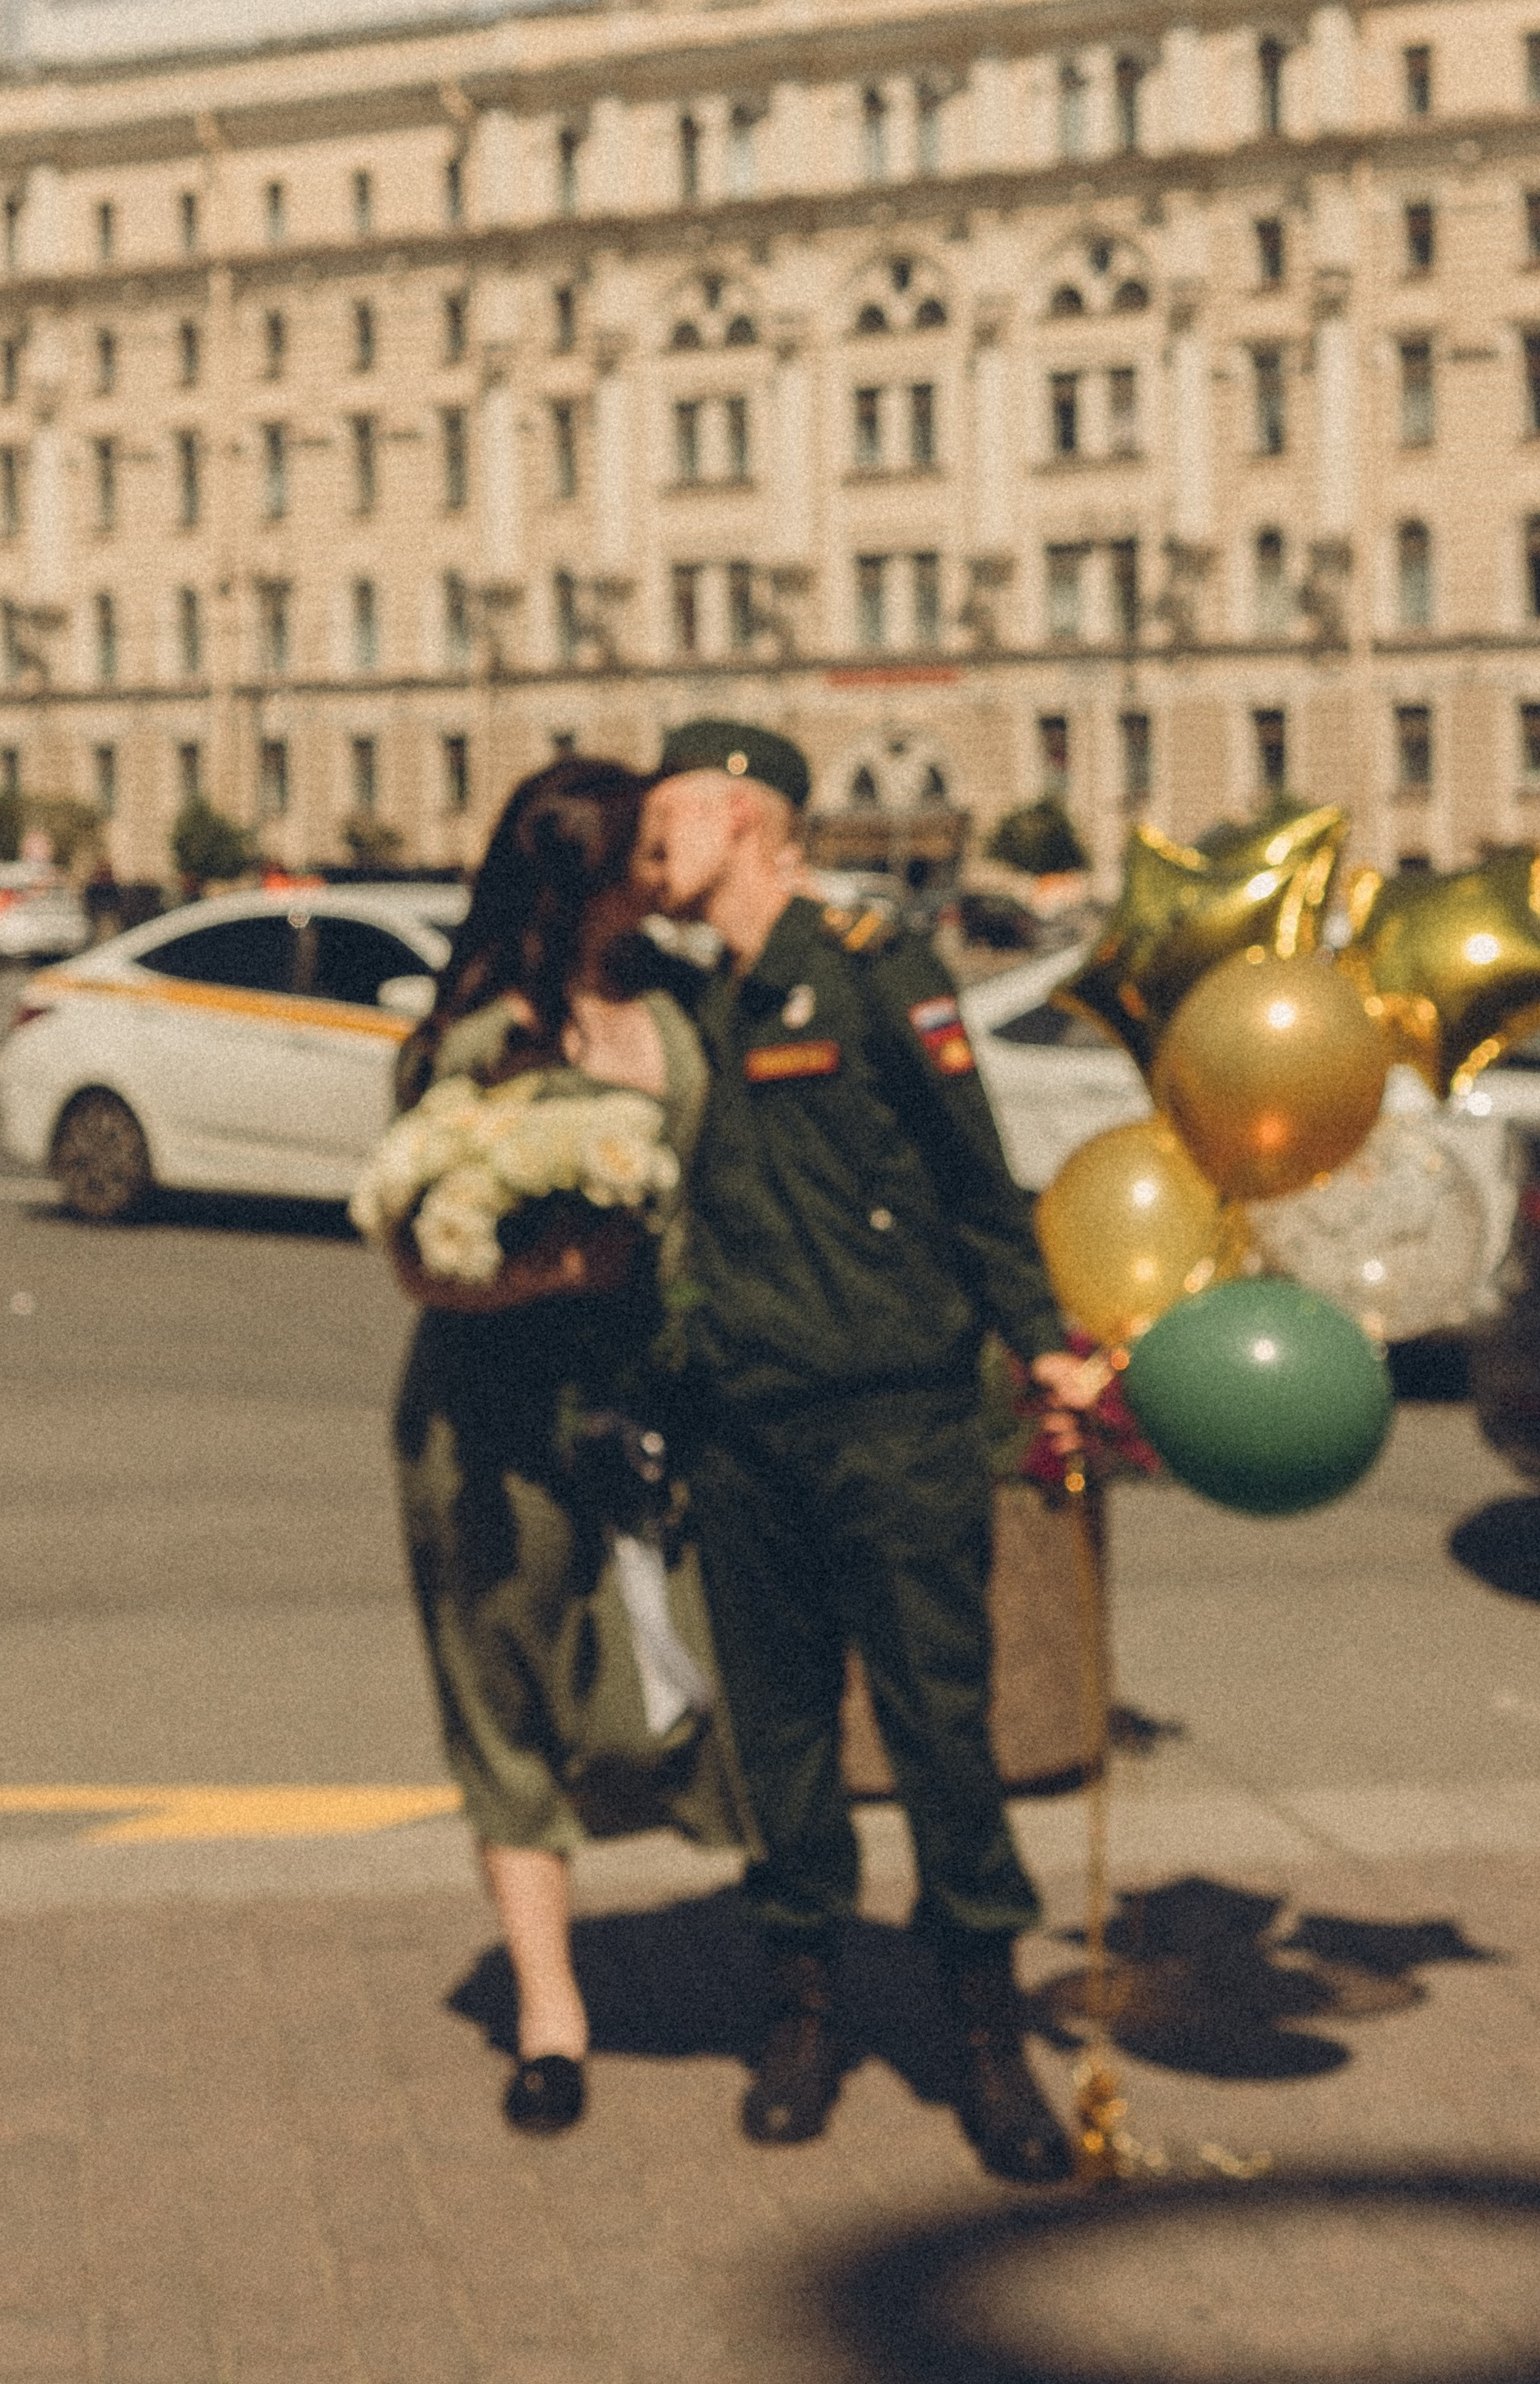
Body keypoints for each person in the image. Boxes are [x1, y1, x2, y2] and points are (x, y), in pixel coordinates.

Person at [636, 720, 1101, 2185]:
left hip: (892, 1420)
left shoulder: (871, 964)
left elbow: (976, 1178)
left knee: (940, 1732)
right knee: (777, 1742)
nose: (656, 856)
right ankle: (803, 2014)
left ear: (745, 818)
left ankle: (985, 2035)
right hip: (739, 1428)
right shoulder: (679, 1002)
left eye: (671, 827)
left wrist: (1041, 1344)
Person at [386, 757, 752, 2137]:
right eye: (643, 852)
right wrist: (546, 1275)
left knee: (694, 1674)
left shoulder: (674, 1002)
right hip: (491, 1415)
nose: (662, 874)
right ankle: (552, 2013)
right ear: (584, 877)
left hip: (661, 1395)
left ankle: (775, 1951)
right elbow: (413, 1253)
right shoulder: (474, 1034)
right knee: (507, 1698)